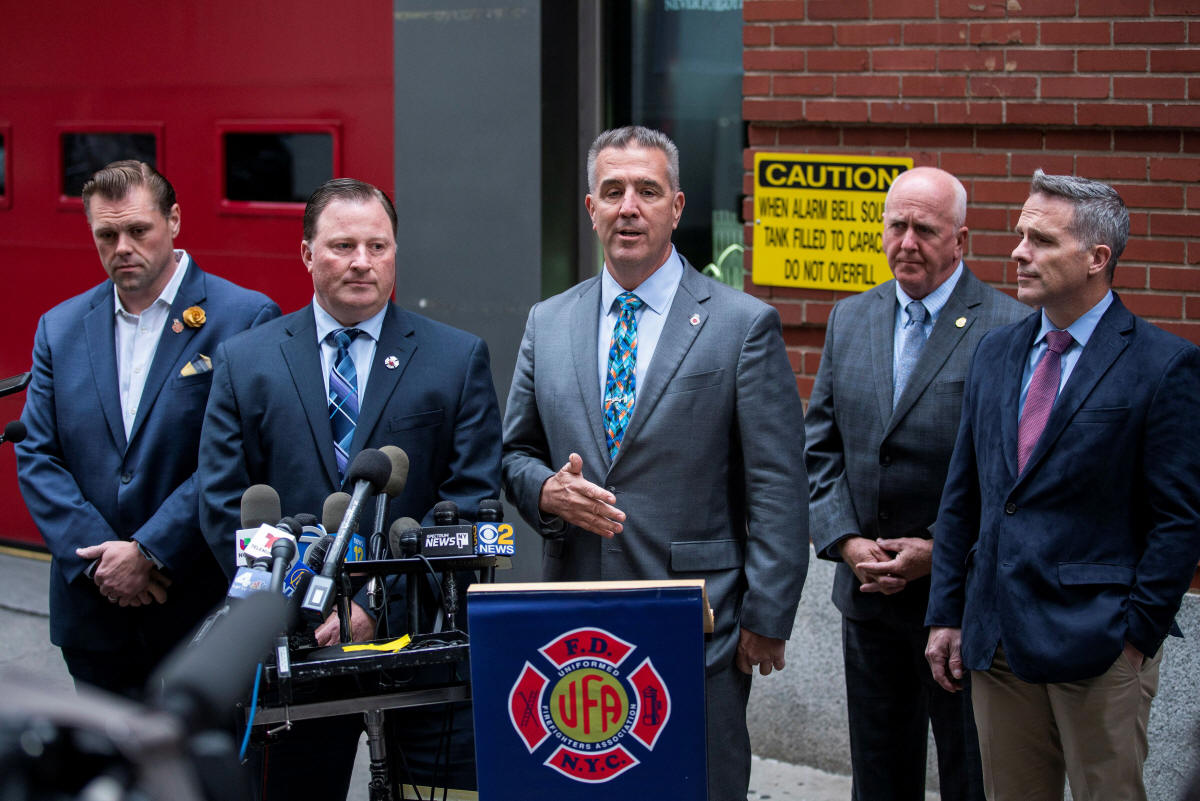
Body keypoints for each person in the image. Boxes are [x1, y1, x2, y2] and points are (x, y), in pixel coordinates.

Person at [501, 125, 808, 801]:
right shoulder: (548, 321)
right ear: (591, 209)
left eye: (647, 190)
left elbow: (778, 484)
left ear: (677, 205)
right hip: (576, 622)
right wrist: (547, 491)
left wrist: (769, 614)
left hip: (700, 623)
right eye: (613, 191)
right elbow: (515, 453)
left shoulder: (741, 324)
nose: (629, 207)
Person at [199, 177, 502, 800]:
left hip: (421, 649)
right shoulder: (245, 361)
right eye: (343, 246)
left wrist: (368, 606)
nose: (362, 262)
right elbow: (224, 504)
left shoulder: (456, 358)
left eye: (377, 246)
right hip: (294, 652)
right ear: (306, 253)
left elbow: (469, 502)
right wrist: (302, 609)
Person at [925, 170, 1200, 801]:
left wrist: (1136, 637)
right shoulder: (995, 353)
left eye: (1041, 240)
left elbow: (1181, 519)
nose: (1018, 252)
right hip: (997, 643)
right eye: (1020, 235)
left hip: (1099, 647)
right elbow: (964, 495)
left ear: (1097, 258)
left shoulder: (1163, 364)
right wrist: (946, 613)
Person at [16, 160, 280, 699]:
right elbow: (38, 455)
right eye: (106, 235)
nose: (123, 248)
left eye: (139, 230)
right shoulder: (59, 328)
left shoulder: (245, 318)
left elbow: (240, 459)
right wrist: (104, 563)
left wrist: (150, 551)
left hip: (197, 609)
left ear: (174, 220)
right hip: (95, 614)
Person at [804, 166, 1025, 801]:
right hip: (868, 596)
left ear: (960, 239)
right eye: (896, 226)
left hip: (960, 602)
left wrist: (940, 551)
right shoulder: (851, 318)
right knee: (879, 777)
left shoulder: (1008, 327)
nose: (907, 242)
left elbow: (1009, 474)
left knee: (970, 775)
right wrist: (846, 541)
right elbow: (819, 448)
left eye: (924, 229)